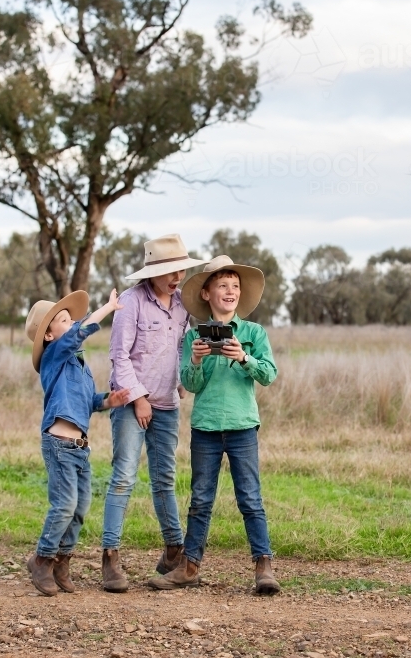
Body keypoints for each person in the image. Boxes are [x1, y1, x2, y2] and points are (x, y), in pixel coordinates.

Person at [147, 255, 281, 595]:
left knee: (250, 498)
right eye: (222, 285)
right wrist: (195, 360)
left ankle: (263, 567)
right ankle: (190, 567)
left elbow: (269, 374)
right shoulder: (194, 336)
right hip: (205, 427)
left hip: (242, 426)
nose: (230, 291)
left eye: (235, 286)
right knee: (201, 500)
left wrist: (244, 357)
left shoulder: (253, 333)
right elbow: (190, 385)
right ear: (206, 293)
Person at [101, 234, 207, 593]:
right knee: (124, 477)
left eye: (180, 270)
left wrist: (180, 380)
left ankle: (174, 549)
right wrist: (138, 398)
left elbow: (180, 346)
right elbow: (119, 356)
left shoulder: (183, 306)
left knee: (164, 479)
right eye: (169, 271)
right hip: (134, 403)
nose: (176, 277)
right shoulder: (131, 303)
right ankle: (110, 556)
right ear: (152, 271)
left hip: (167, 404)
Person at [24, 288, 131, 597]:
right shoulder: (54, 356)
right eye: (63, 320)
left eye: (70, 318)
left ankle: (62, 561)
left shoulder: (81, 369)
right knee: (64, 504)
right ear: (48, 336)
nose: (70, 323)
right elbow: (79, 334)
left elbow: (88, 402)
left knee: (80, 507)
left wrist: (109, 400)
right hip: (58, 444)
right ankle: (41, 559)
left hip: (79, 449)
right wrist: (107, 308)